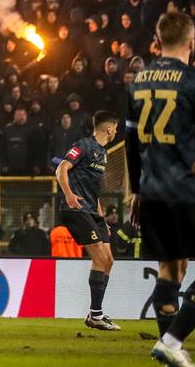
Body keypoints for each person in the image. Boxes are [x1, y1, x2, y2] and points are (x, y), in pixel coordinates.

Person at [126, 11, 195, 367]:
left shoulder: (138, 81)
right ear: (193, 41)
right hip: (189, 192)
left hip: (152, 193)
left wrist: (135, 191)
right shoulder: (194, 82)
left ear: (157, 42)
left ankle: (170, 349)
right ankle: (173, 341)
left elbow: (130, 143)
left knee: (170, 272)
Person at [54, 110, 120, 330]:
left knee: (108, 259)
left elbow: (94, 188)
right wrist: (69, 195)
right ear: (109, 128)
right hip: (77, 209)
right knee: (100, 259)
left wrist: (101, 215)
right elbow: (61, 168)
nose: (116, 132)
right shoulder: (84, 145)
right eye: (115, 128)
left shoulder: (103, 153)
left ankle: (96, 313)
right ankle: (96, 316)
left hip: (93, 211)